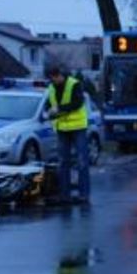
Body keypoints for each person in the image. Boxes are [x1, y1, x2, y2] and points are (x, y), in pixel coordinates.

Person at [44, 65, 91, 204]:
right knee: (63, 162)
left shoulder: (74, 84)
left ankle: (84, 194)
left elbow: (77, 103)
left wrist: (58, 109)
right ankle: (64, 195)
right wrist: (49, 112)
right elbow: (49, 104)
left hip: (77, 127)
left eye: (55, 77)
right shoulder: (51, 88)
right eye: (51, 78)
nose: (54, 81)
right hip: (61, 128)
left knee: (82, 161)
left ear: (60, 75)